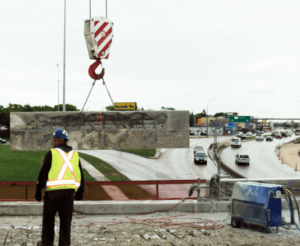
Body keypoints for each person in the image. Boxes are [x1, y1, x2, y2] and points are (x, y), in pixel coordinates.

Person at [35, 128, 85, 246]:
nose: (53, 142)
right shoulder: (75, 154)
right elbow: (80, 174)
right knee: (66, 223)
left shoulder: (51, 153)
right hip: (68, 194)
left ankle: (47, 243)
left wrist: (38, 190)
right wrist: (80, 191)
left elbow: (43, 173)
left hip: (52, 194)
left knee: (48, 221)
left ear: (57, 141)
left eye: (53, 140)